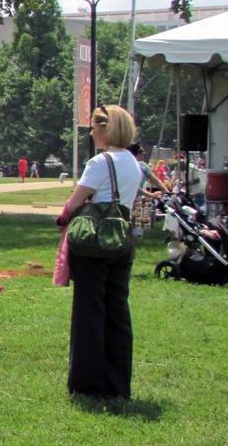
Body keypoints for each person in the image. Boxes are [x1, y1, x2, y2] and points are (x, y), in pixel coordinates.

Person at [60, 104, 140, 400]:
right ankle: (118, 384)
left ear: (106, 129)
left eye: (94, 127)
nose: (91, 132)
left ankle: (88, 383)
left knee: (89, 312)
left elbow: (75, 201)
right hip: (122, 238)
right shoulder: (133, 162)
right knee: (117, 311)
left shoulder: (99, 162)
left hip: (94, 240)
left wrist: (64, 217)